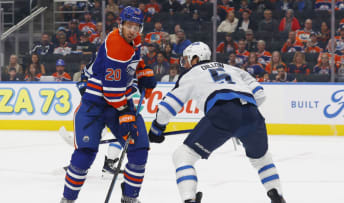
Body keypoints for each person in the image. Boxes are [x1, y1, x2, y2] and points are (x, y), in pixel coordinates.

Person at [148, 42, 286, 203]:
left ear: (195, 58)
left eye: (186, 59)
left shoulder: (192, 74)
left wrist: (156, 130)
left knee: (182, 156)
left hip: (223, 113)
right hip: (252, 113)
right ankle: (277, 196)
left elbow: (167, 107)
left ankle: (189, 199)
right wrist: (239, 118)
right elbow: (260, 94)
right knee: (262, 159)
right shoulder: (233, 68)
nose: (184, 64)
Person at [60, 6, 156, 203]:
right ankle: (67, 200)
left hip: (118, 100)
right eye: (129, 25)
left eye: (136, 26)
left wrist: (143, 70)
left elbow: (133, 61)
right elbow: (112, 93)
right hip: (96, 103)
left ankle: (129, 198)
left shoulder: (132, 40)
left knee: (139, 150)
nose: (133, 30)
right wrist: (126, 113)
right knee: (85, 154)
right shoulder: (116, 47)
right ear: (120, 24)